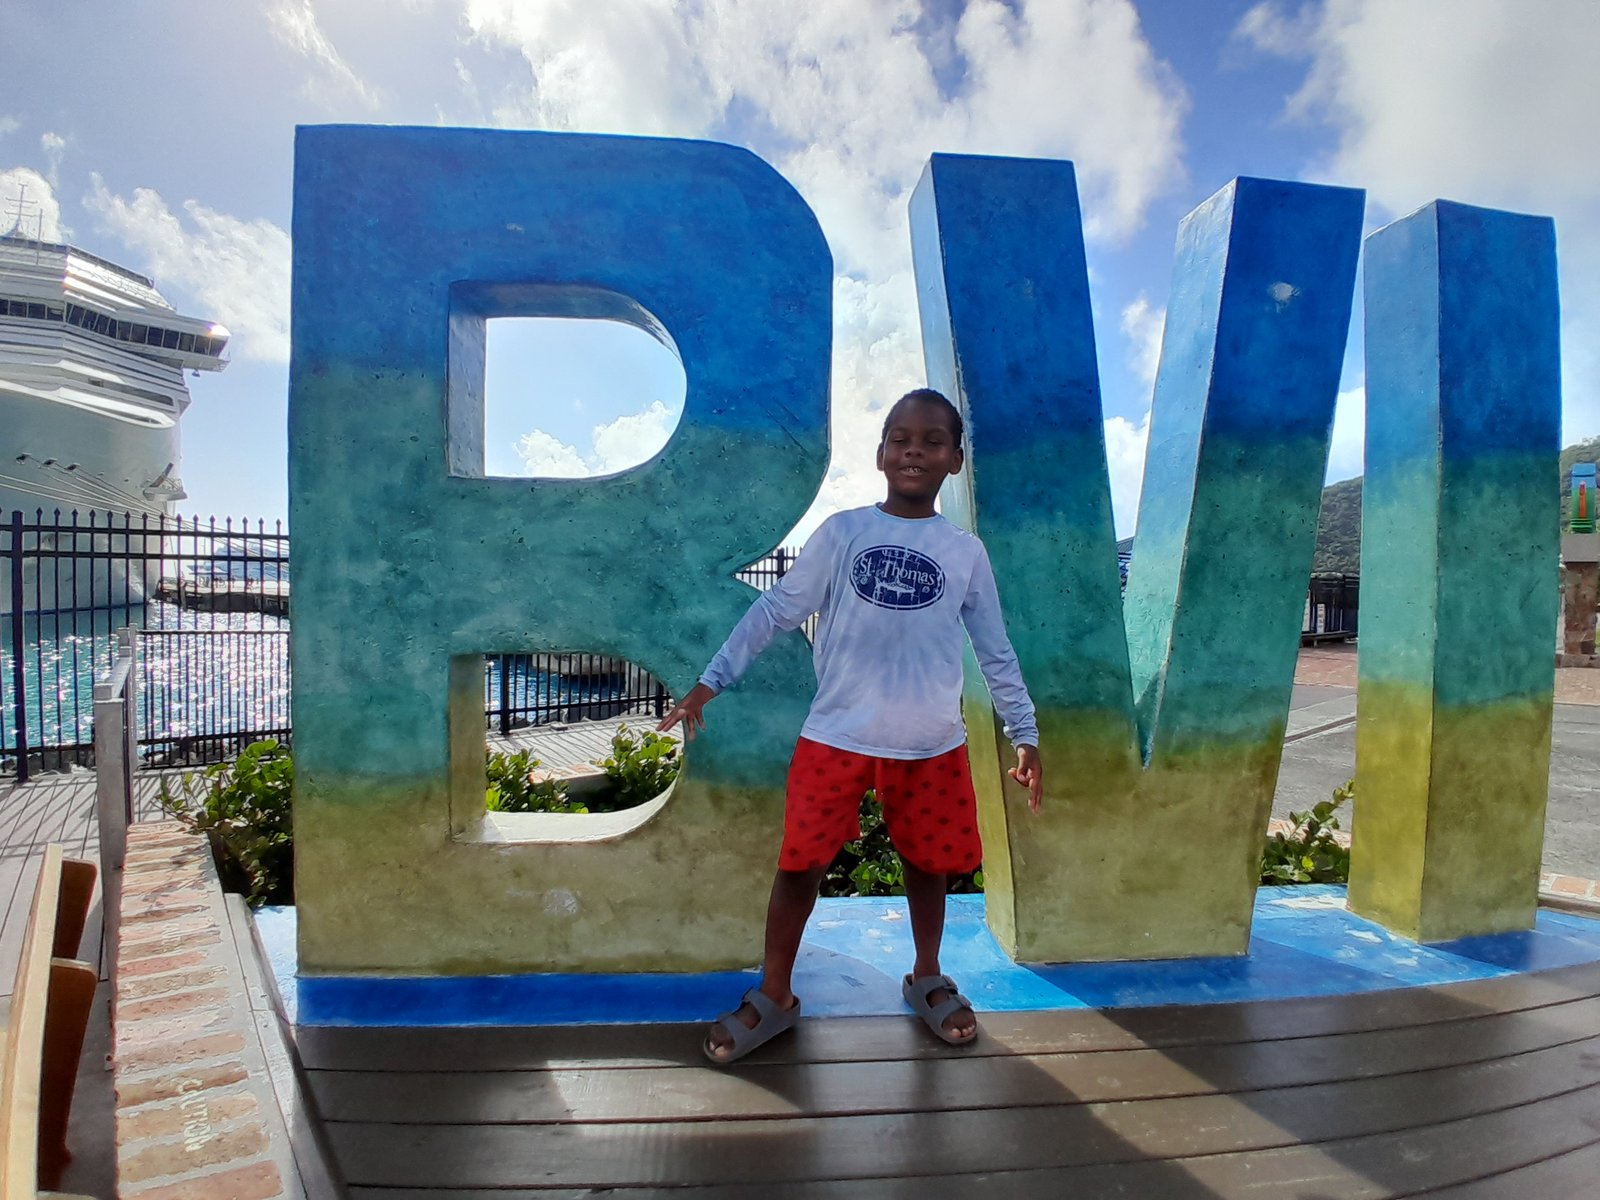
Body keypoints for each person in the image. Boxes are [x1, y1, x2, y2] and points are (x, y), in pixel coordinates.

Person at [658, 387, 1043, 1064]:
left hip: (930, 745)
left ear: (955, 459)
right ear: (880, 453)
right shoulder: (842, 534)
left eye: (931, 440)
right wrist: (708, 684)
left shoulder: (965, 554)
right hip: (834, 737)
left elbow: (994, 648)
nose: (913, 449)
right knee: (799, 863)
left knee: (928, 864)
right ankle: (774, 994)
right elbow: (774, 612)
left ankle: (927, 975)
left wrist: (1024, 730)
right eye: (900, 437)